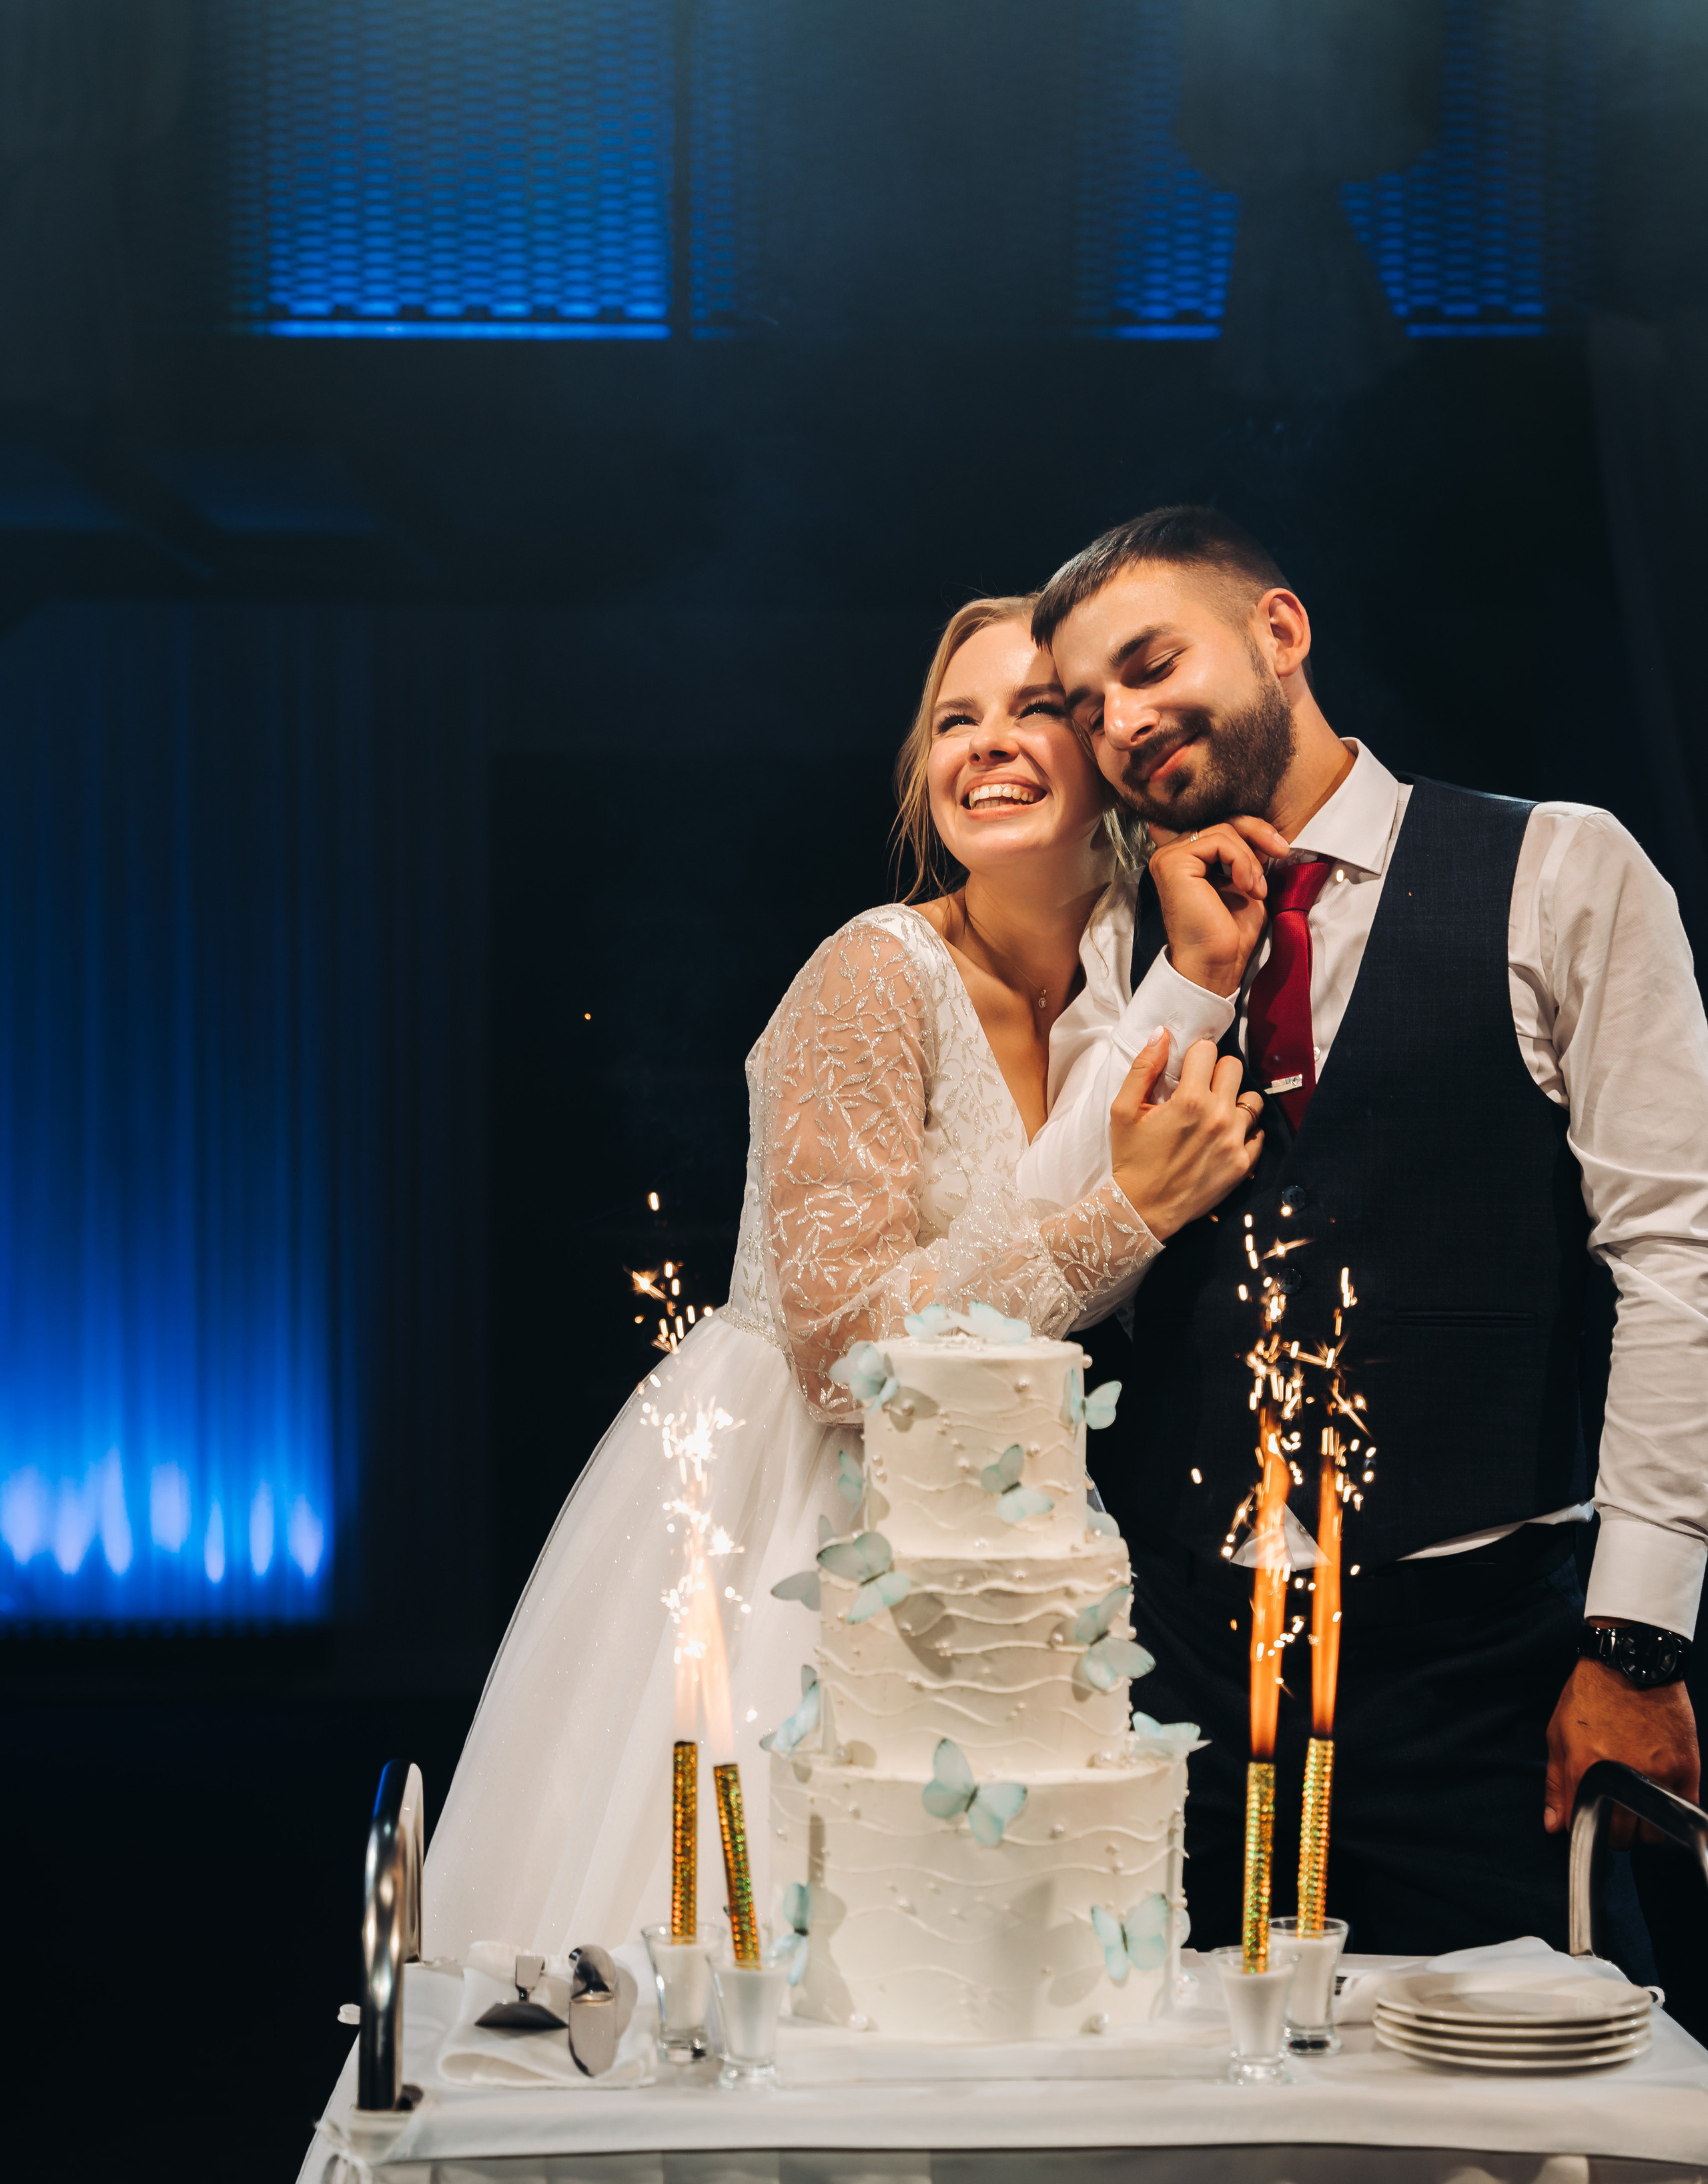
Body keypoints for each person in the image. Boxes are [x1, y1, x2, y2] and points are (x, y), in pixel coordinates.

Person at [424, 594, 1263, 1962]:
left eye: (1031, 709)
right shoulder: (871, 976)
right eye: (953, 721)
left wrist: (1202, 980)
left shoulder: (1127, 966)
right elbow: (838, 1344)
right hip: (803, 1505)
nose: (985, 745)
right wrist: (1128, 1214)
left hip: (1003, 1516)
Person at [1017, 502, 1707, 1966]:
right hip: (1181, 1680)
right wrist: (1189, 984)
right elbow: (1040, 1265)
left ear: (1277, 631)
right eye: (1089, 708)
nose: (1125, 724)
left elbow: (1675, 1260)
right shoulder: (1118, 946)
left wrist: (1633, 1641)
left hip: (1481, 1673)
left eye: (1149, 664)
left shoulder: (1560, 872)